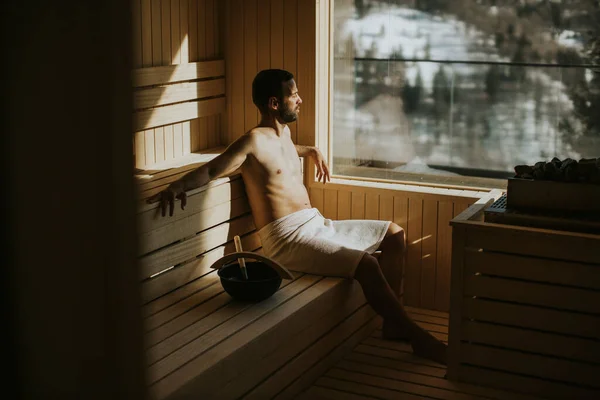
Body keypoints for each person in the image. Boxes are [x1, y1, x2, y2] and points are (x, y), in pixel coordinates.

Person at [148, 69, 447, 364]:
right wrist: (177, 185)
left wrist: (311, 150)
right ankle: (417, 338)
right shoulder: (251, 142)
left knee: (394, 233)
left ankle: (393, 323)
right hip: (288, 240)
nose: (300, 100)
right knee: (367, 264)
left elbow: (283, 153)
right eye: (293, 95)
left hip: (316, 224)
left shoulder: (285, 134)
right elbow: (214, 168)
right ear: (274, 103)